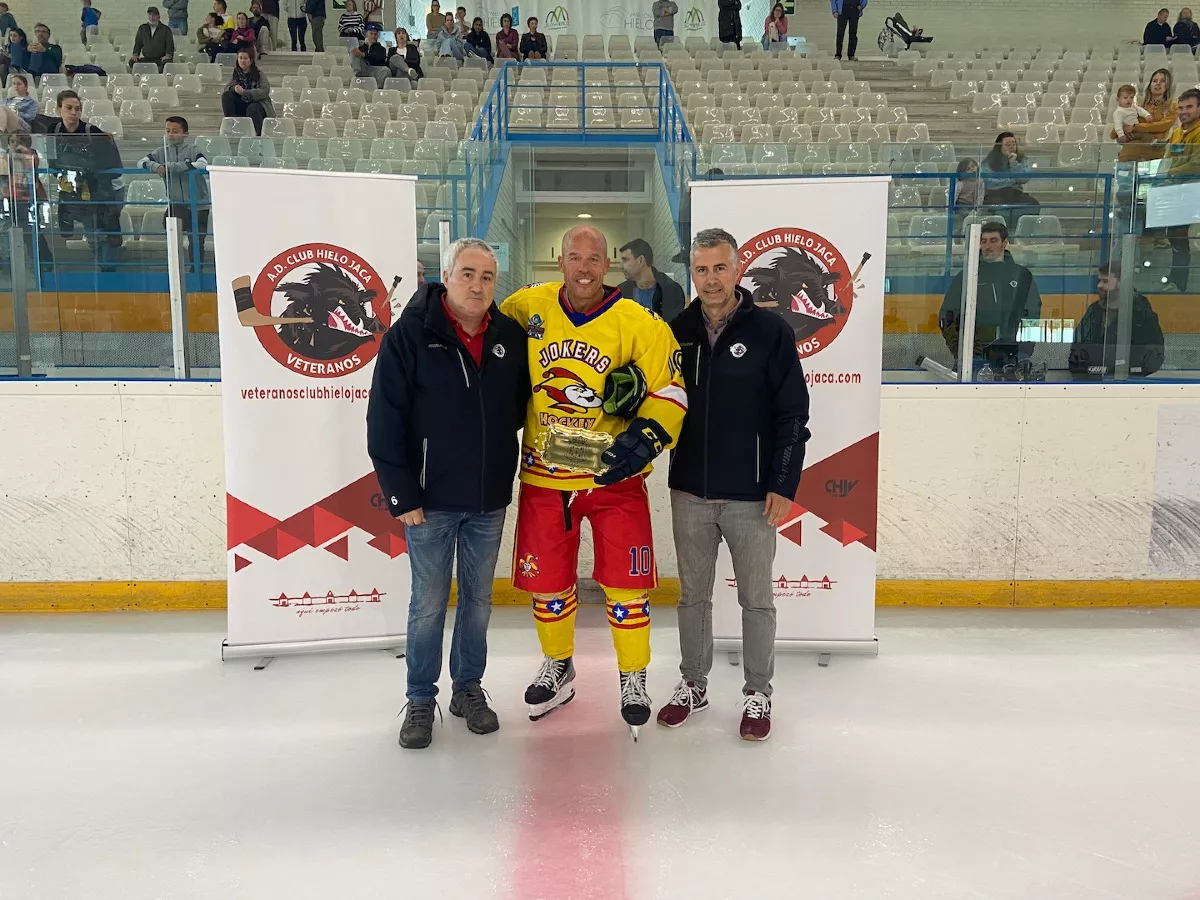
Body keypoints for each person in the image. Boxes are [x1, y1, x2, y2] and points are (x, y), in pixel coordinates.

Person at [499, 224, 688, 741]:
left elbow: (671, 386)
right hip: (545, 477)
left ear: (607, 265)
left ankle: (633, 676)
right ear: (560, 261)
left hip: (614, 479)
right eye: (575, 258)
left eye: (595, 258)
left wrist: (647, 436)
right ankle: (559, 664)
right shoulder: (526, 307)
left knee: (628, 585)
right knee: (547, 583)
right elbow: (479, 332)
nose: (584, 268)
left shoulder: (638, 321)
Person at [367, 238, 531, 751]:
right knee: (429, 604)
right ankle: (420, 697)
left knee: (479, 603)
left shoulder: (509, 336)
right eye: (467, 274)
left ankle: (467, 689)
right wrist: (400, 493)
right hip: (429, 501)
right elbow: (384, 421)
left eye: (487, 276)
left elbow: (531, 406)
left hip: (488, 499)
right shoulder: (410, 336)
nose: (478, 285)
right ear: (446, 275)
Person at [656, 227, 809, 741]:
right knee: (692, 597)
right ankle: (693, 684)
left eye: (720, 267)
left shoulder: (771, 332)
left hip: (751, 494)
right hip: (691, 491)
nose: (711, 279)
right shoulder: (675, 330)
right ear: (691, 274)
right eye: (701, 269)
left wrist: (784, 482)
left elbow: (792, 415)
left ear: (738, 269)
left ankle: (758, 692)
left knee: (756, 600)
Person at [939, 221, 1042, 375]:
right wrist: (961, 351)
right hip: (973, 357)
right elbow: (947, 316)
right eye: (983, 241)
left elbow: (1032, 314)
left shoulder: (1021, 276)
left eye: (993, 240)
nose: (987, 246)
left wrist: (1023, 352)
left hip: (1012, 357)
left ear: (1004, 243)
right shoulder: (966, 276)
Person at [48, 90, 125, 272]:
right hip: (78, 190)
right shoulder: (53, 131)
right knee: (92, 234)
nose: (74, 113)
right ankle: (104, 268)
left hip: (105, 190)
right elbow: (53, 162)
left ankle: (108, 270)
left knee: (102, 232)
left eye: (77, 109)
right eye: (69, 108)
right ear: (59, 109)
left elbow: (113, 167)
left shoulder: (93, 132)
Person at [1068, 261, 1164, 380]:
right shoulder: (1095, 310)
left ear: (1121, 283)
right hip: (1092, 383)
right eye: (1100, 280)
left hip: (1127, 385)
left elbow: (1153, 355)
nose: (1099, 285)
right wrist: (1083, 372)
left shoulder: (1141, 314)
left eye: (1105, 281)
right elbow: (1078, 346)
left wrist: (1124, 373)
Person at [139, 115, 210, 266]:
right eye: (168, 131)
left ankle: (196, 270)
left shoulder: (194, 149)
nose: (170, 134)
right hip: (176, 204)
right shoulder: (160, 152)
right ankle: (175, 269)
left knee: (197, 241)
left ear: (185, 134)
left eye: (175, 131)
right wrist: (156, 167)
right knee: (172, 236)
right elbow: (141, 162)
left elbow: (203, 164)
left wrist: (175, 167)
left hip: (198, 205)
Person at [1162, 88, 1200, 292]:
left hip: (1194, 193)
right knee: (1174, 235)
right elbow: (1168, 160)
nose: (1184, 111)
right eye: (1181, 107)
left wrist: (1170, 172)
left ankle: (1179, 281)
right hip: (1175, 193)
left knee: (1178, 235)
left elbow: (1196, 164)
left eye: (1189, 107)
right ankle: (1176, 279)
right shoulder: (1176, 132)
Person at [1115, 68, 1178, 163]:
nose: (1158, 83)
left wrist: (1135, 127)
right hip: (1133, 145)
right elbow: (1123, 124)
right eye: (1154, 81)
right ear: (1150, 85)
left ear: (1167, 86)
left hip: (1156, 148)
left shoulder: (1172, 106)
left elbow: (1162, 126)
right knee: (1125, 170)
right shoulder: (1138, 104)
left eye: (1162, 81)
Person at [982, 131, 1040, 228]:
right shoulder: (989, 161)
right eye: (1007, 145)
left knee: (1033, 204)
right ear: (999, 146)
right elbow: (988, 182)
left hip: (1015, 193)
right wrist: (1011, 181)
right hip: (995, 194)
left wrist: (1014, 163)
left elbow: (1024, 178)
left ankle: (1021, 232)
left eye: (1014, 144)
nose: (1012, 147)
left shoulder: (1022, 159)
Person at [618, 238, 686, 320]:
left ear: (641, 260)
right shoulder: (621, 292)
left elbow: (672, 328)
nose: (620, 266)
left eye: (625, 260)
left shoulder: (670, 290)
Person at [221, 50, 274, 135]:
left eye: (245, 58)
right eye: (240, 58)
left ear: (251, 60)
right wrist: (234, 88)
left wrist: (245, 92)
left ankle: (259, 135)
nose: (242, 61)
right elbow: (226, 88)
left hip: (258, 103)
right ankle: (231, 126)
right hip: (242, 103)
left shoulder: (259, 74)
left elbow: (265, 91)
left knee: (252, 108)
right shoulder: (235, 75)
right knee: (227, 96)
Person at [129, 7, 176, 72]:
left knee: (167, 63)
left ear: (158, 17)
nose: (151, 17)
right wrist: (135, 54)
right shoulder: (142, 28)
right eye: (149, 15)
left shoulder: (166, 29)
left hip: (160, 59)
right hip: (146, 59)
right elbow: (138, 43)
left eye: (154, 15)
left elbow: (170, 44)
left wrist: (168, 55)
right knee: (132, 61)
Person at [953, 157, 982, 231]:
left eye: (973, 167)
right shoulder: (960, 184)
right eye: (968, 169)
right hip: (961, 207)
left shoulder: (980, 182)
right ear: (963, 171)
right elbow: (953, 197)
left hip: (973, 207)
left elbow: (980, 196)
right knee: (959, 227)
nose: (972, 169)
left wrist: (976, 209)